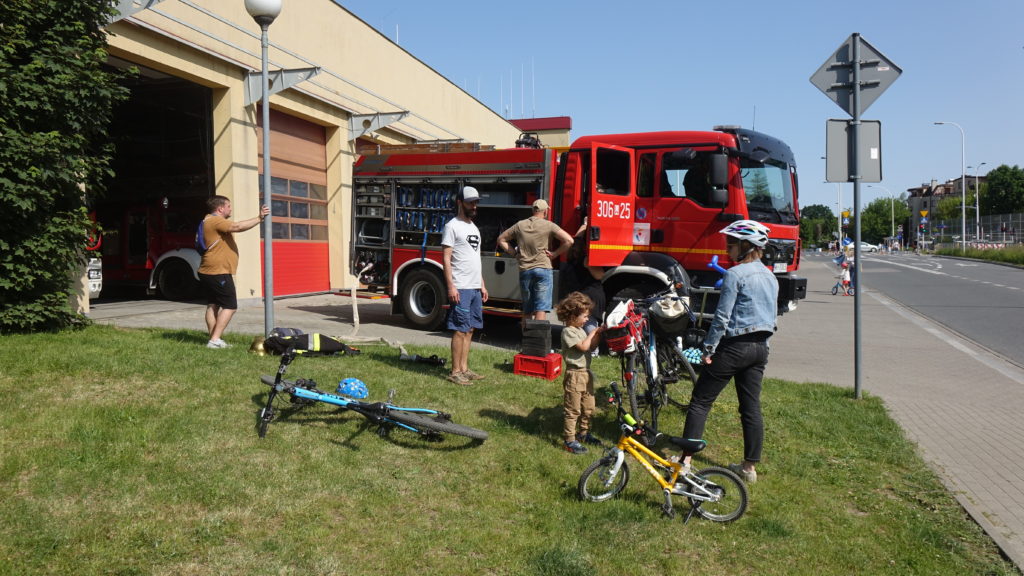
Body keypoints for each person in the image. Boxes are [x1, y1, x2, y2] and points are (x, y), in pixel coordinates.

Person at [678, 220, 778, 483]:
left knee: (701, 401)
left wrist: (708, 349)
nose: (727, 250)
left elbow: (721, 318)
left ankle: (685, 462)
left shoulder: (735, 274)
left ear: (745, 246)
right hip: (760, 348)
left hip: (735, 346)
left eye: (730, 244)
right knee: (750, 407)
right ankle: (749, 468)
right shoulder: (770, 276)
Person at [197, 196, 269, 349]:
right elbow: (237, 227)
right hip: (218, 271)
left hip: (209, 270)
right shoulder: (215, 221)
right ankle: (215, 340)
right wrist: (259, 218)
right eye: (228, 206)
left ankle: (214, 338)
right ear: (220, 208)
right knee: (230, 306)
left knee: (213, 304)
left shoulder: (207, 220)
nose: (230, 209)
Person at [496, 199, 574, 323]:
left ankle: (526, 340)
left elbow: (501, 239)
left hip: (525, 270)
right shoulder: (549, 225)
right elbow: (569, 241)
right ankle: (537, 341)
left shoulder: (520, 225)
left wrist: (515, 254)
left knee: (527, 310)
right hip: (543, 269)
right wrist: (554, 254)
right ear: (545, 212)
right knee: (540, 309)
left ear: (533, 210)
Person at [442, 186, 489, 385]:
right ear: (460, 202)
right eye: (470, 202)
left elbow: (474, 258)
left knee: (470, 328)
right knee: (460, 329)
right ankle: (454, 372)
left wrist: (482, 284)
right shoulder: (452, 226)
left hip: (474, 287)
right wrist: (451, 286)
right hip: (460, 286)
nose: (474, 206)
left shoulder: (473, 227)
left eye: (476, 202)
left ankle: (464, 369)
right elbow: (446, 259)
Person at [555, 291, 604, 454]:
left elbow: (591, 346)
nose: (587, 319)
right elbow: (583, 347)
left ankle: (583, 433)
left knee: (588, 407)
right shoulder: (568, 331)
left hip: (586, 374)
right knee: (573, 409)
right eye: (584, 316)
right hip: (574, 375)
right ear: (572, 315)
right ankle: (569, 440)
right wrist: (591, 333)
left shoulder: (580, 330)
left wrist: (597, 334)